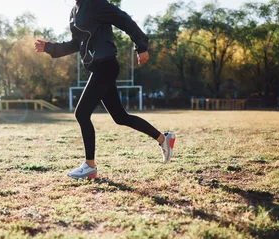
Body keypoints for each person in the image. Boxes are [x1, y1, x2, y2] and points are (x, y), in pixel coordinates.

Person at [34, 0, 175, 180]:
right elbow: (76, 44)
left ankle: (89, 166)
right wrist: (49, 47)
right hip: (98, 66)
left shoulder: (95, 3)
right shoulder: (75, 11)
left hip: (105, 65)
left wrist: (141, 46)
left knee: (82, 114)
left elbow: (123, 19)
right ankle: (163, 139)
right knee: (120, 117)